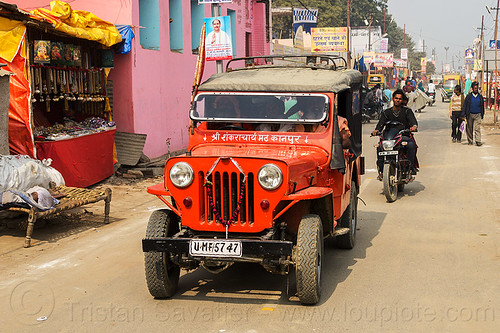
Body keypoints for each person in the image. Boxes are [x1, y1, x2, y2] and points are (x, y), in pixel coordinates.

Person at [372, 89, 419, 177]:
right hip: (389, 137)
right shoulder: (386, 112)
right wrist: (376, 130)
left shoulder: (407, 111)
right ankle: (381, 170)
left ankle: (409, 168)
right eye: (396, 98)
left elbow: (413, 122)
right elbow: (380, 125)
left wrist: (414, 127)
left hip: (402, 136)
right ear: (393, 99)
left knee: (411, 145)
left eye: (400, 99)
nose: (398, 100)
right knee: (379, 147)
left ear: (402, 100)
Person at [461, 81, 485, 146]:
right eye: (474, 88)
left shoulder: (480, 97)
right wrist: (463, 115)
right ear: (472, 88)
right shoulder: (468, 97)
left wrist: (482, 114)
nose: (476, 89)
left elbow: (482, 106)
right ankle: (470, 141)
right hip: (470, 114)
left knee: (477, 128)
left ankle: (478, 141)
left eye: (476, 88)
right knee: (469, 128)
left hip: (478, 114)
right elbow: (465, 106)